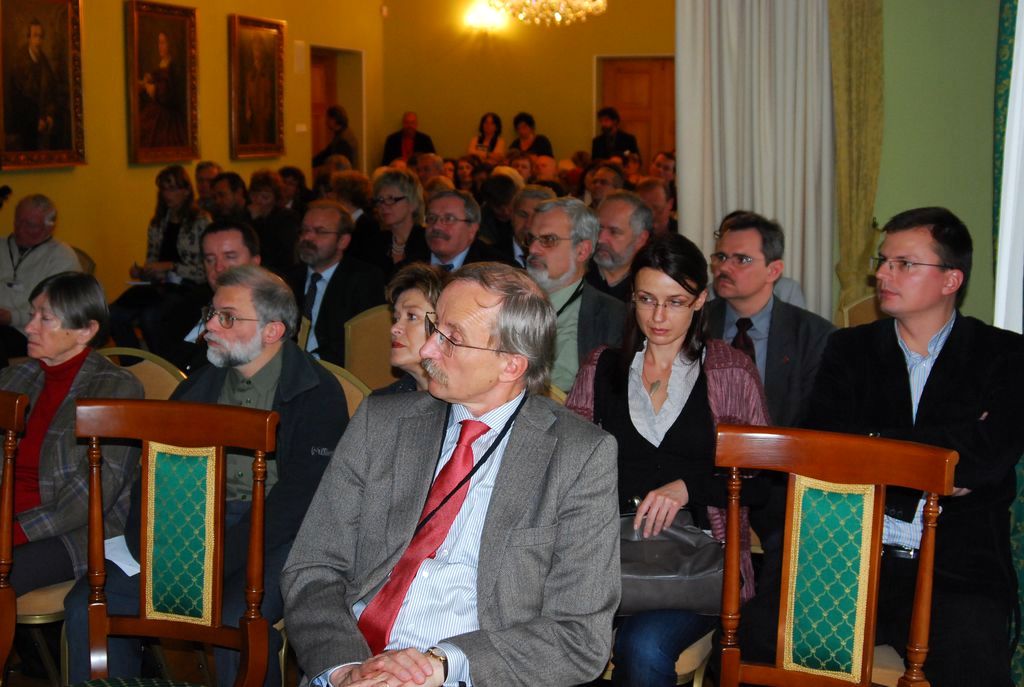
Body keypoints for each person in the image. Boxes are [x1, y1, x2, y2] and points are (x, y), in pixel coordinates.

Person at [281, 262, 619, 687]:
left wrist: (442, 665)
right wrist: (346, 668)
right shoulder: (380, 423)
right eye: (433, 327)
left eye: (451, 339)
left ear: (511, 365)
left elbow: (578, 636)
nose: (426, 350)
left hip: (470, 673)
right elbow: (313, 567)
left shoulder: (578, 456)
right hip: (355, 662)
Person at [741, 207, 1024, 687]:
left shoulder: (1004, 354)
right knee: (753, 640)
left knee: (975, 662)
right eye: (883, 261)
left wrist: (874, 444)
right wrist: (939, 457)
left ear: (951, 279)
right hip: (852, 559)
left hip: (955, 571)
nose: (882, 275)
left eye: (903, 264)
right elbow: (825, 452)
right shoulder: (849, 350)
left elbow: (985, 463)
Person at [65, 265, 350, 687]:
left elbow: (301, 500)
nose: (209, 327)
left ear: (272, 330)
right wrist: (149, 543)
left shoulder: (316, 392)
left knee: (237, 619)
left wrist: (219, 558)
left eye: (227, 318)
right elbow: (153, 472)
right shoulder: (197, 385)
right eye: (211, 314)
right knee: (89, 602)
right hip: (193, 525)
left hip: (277, 535)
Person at [566, 234, 769, 687]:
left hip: (695, 564)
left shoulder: (731, 371)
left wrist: (689, 487)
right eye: (646, 300)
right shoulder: (601, 368)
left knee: (643, 645)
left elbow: (761, 483)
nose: (658, 317)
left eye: (675, 302)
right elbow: (566, 472)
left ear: (700, 300)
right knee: (555, 636)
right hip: (606, 560)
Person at [1, 272, 142, 597]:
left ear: (86, 330)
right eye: (32, 314)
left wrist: (13, 532)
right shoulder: (14, 378)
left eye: (45, 318)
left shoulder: (116, 388)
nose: (29, 327)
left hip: (77, 529)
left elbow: (92, 492)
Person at [703, 211, 832, 428]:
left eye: (742, 260)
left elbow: (818, 424)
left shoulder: (814, 336)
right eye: (721, 257)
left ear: (773, 271)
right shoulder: (695, 323)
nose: (723, 268)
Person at [109, 165, 210, 360]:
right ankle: (134, 363)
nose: (167, 195)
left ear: (186, 190)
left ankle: (165, 364)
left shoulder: (200, 221)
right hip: (161, 285)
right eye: (163, 189)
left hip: (188, 287)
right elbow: (152, 260)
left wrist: (171, 266)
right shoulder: (158, 222)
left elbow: (204, 271)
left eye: (172, 189)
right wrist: (143, 271)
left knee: (151, 316)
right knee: (114, 313)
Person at [525, 197, 625, 391]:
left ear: (582, 251)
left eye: (548, 240)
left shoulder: (612, 316)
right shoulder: (504, 300)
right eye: (531, 239)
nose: (533, 249)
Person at [284, 200, 385, 366]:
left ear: (343, 241)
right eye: (305, 230)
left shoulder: (363, 279)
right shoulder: (288, 279)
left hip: (338, 371)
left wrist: (311, 363)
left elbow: (364, 341)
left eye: (320, 232)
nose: (307, 237)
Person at [169, 219, 263, 372]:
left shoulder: (263, 320)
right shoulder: (190, 303)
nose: (218, 267)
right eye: (210, 259)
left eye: (230, 257)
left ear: (255, 263)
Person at [0, 194, 81, 367]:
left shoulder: (61, 257)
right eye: (18, 221)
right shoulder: (2, 245)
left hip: (30, 332)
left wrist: (12, 317)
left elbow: (59, 311)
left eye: (30, 225)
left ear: (49, 228)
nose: (19, 229)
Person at [374, 262, 448, 395]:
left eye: (412, 317)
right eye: (396, 318)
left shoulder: (472, 403)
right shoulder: (380, 402)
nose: (394, 328)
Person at [7, 19, 61, 151]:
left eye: (41, 36)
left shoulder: (44, 62)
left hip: (44, 125)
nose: (38, 40)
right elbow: (17, 101)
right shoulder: (19, 64)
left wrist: (49, 115)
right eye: (35, 36)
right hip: (24, 126)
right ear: (29, 38)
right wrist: (35, 121)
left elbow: (51, 92)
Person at [588, 190, 652, 302]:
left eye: (614, 232)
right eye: (599, 228)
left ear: (640, 239)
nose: (600, 239)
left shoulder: (649, 286)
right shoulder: (576, 274)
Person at [424, 189, 509, 271]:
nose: (436, 226)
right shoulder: (416, 254)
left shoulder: (498, 268)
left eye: (449, 219)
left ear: (472, 229)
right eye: (431, 218)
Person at [368, 168, 429, 277]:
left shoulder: (427, 241)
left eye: (391, 199)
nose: (383, 206)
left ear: (413, 203)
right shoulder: (375, 241)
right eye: (380, 200)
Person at [137, 31, 186, 148]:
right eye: (159, 43)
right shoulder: (162, 63)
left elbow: (166, 93)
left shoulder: (174, 66)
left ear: (170, 44)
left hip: (167, 114)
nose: (160, 46)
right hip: (157, 106)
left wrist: (149, 86)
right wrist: (148, 80)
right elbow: (157, 77)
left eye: (163, 43)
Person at [247, 169, 300, 274]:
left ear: (276, 198)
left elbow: (275, 252)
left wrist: (256, 221)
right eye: (254, 196)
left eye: (265, 197)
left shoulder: (287, 218)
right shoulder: (246, 215)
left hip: (278, 271)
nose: (258, 201)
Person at [314, 105, 358, 169]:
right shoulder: (345, 133)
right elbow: (326, 153)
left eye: (327, 118)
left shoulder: (342, 140)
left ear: (333, 120)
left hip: (345, 174)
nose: (326, 121)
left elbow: (341, 164)